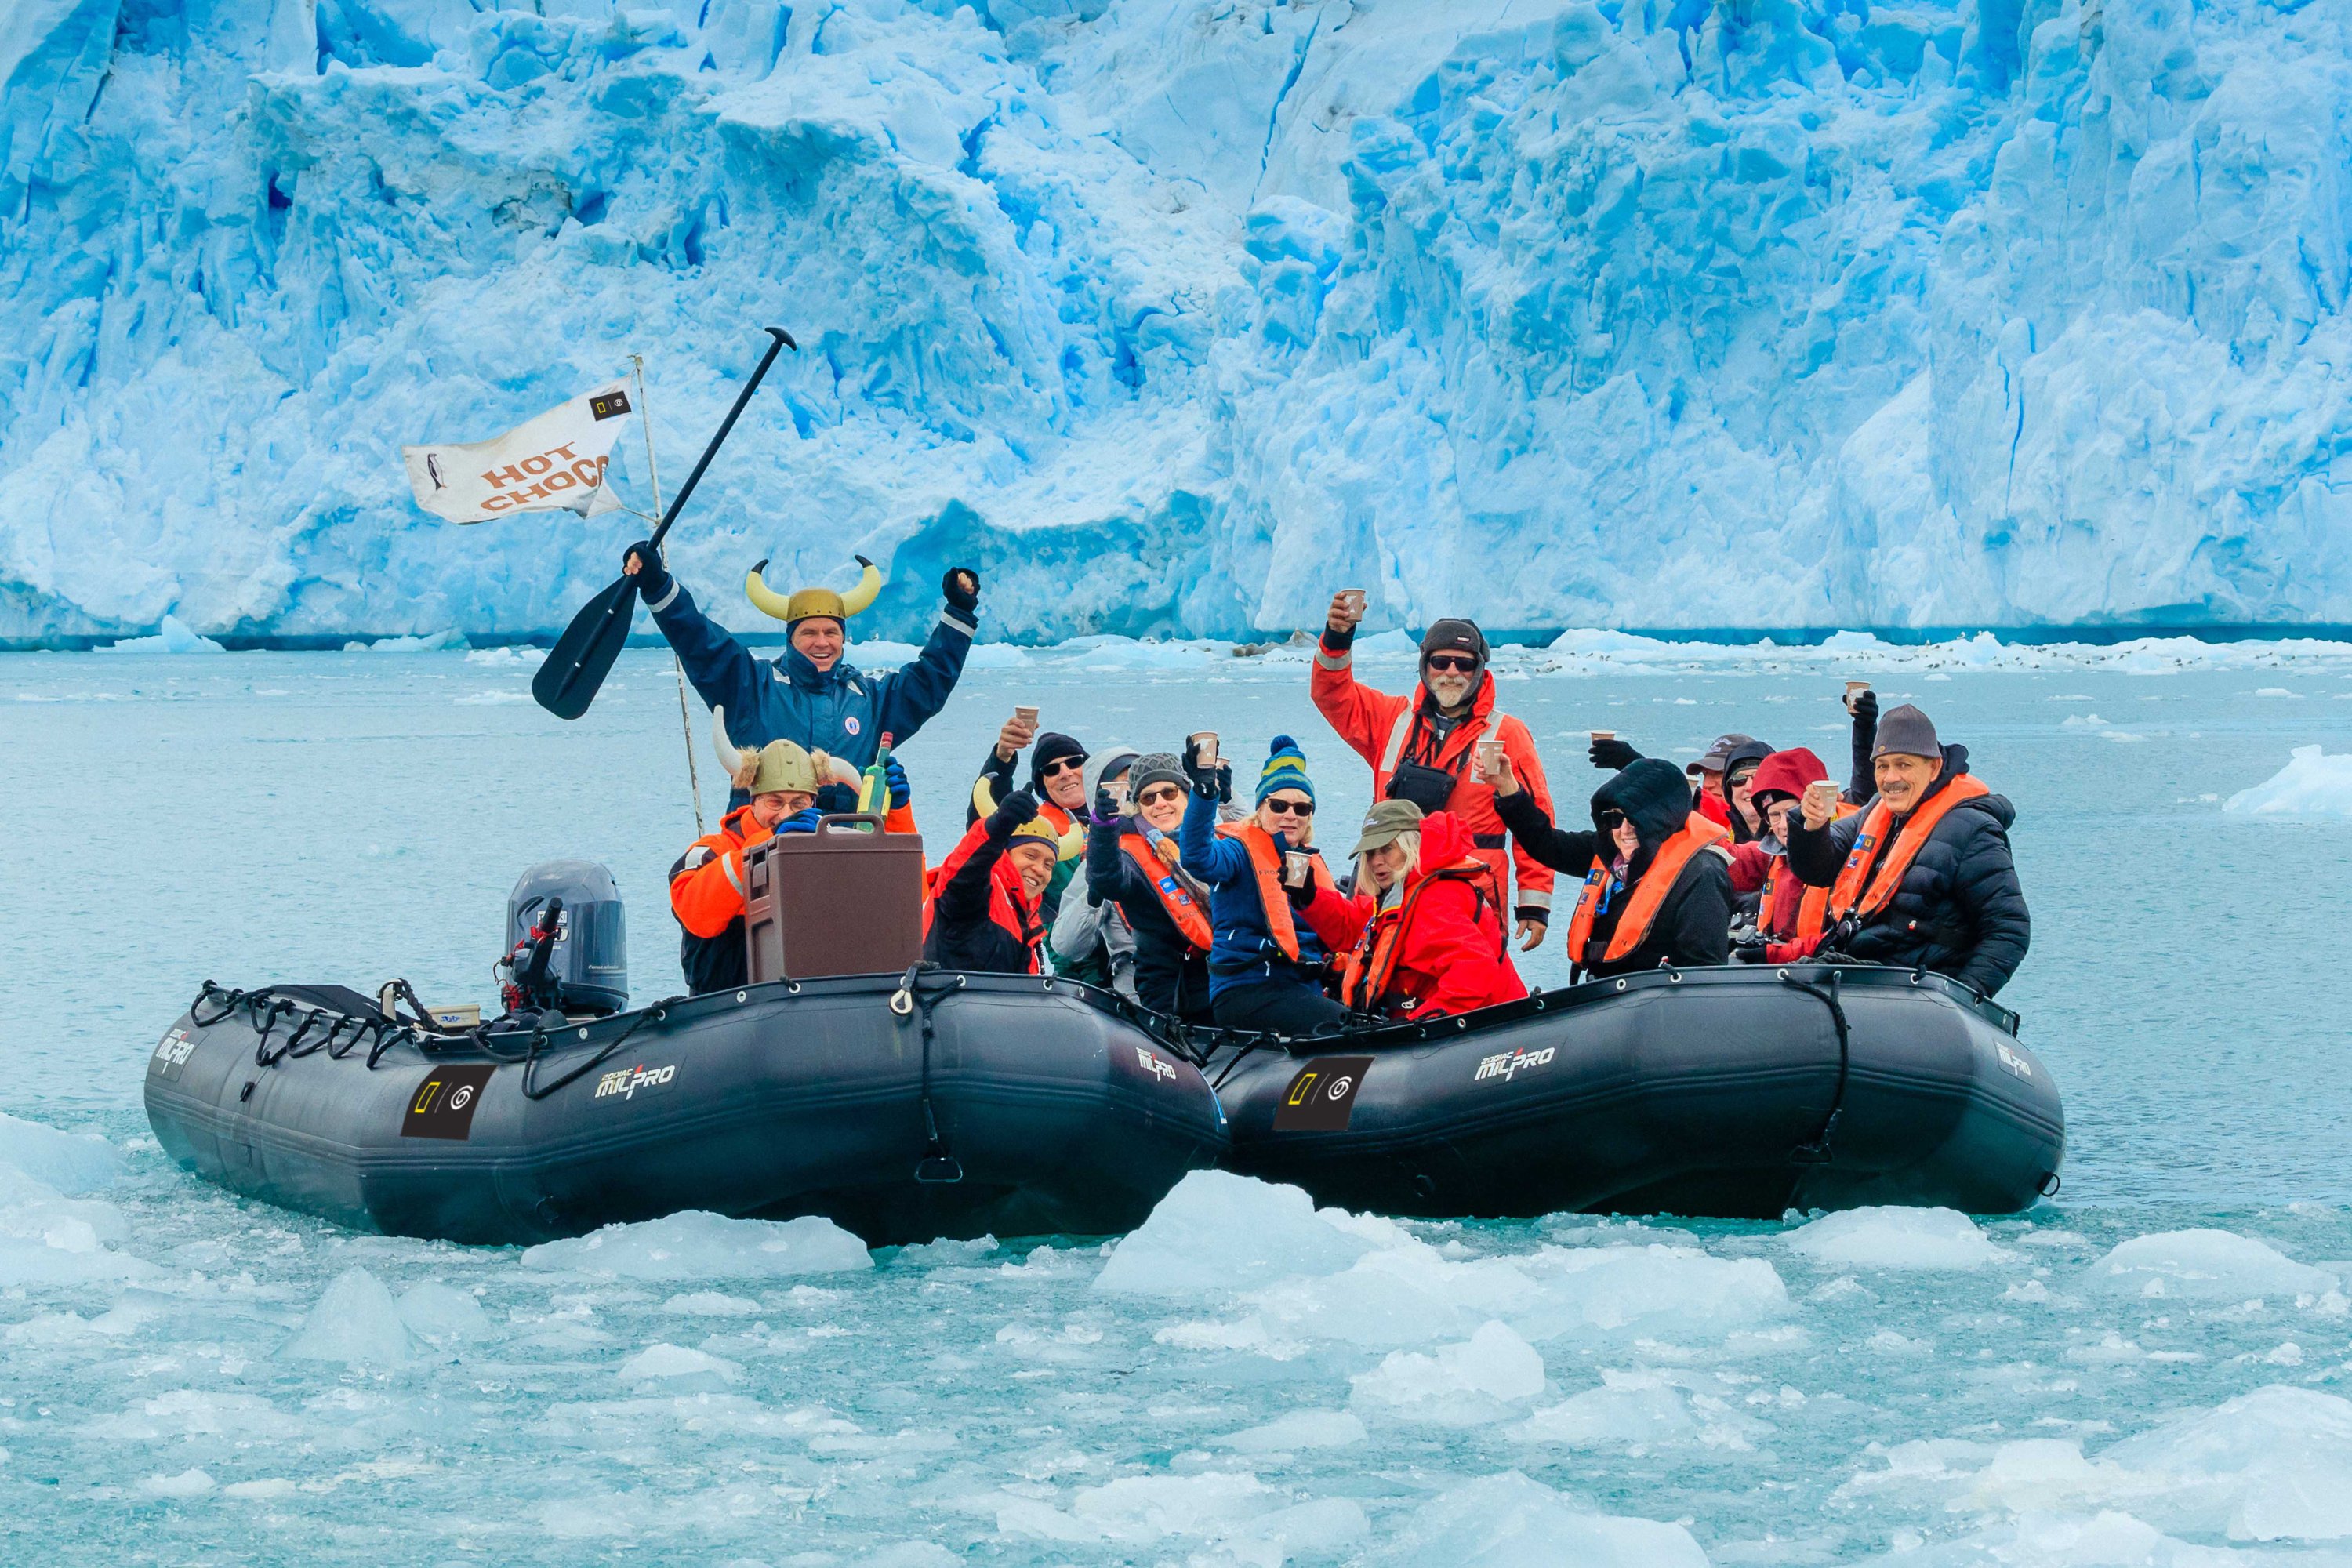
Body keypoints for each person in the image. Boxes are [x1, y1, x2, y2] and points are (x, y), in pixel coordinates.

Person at [1312, 595, 1558, 952]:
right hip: (1388, 885)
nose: (1452, 673)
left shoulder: (1507, 734)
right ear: (1426, 667)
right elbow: (1332, 695)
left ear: (1481, 671)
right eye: (1441, 662)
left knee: (1467, 989)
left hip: (1467, 894)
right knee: (1379, 982)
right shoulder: (1391, 720)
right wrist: (1337, 637)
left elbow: (1535, 822)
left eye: (1465, 664)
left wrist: (1535, 904)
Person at [622, 541, 979, 781]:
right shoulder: (751, 685)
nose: (821, 642)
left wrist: (958, 613)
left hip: (848, 849)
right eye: (809, 633)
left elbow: (930, 681)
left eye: (831, 632)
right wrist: (656, 584)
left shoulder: (872, 700)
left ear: (843, 639)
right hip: (761, 850)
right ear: (791, 639)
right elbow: (700, 642)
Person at [1784, 705, 2030, 996]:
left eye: (1904, 764)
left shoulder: (1972, 831)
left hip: (1917, 995)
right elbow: (1818, 870)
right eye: (1882, 766)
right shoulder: (1876, 813)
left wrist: (1962, 997)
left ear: (1934, 766)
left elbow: (2009, 930)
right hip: (1860, 977)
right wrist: (1811, 825)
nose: (1890, 778)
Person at [1488, 753, 1733, 980]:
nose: (1623, 831)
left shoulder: (1702, 875)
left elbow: (1704, 977)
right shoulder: (1608, 852)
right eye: (1614, 818)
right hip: (1603, 997)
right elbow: (1546, 843)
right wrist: (1508, 789)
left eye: (1636, 820)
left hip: (1657, 1006)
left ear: (1662, 820)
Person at [1180, 735, 1348, 1033]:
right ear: (1261, 810)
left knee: (1367, 1019)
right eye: (1279, 805)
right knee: (1343, 1027)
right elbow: (1197, 858)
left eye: (1302, 809)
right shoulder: (1238, 852)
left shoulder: (1306, 861)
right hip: (1247, 989)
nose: (1290, 815)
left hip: (1300, 989)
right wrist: (1205, 793)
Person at [1300, 801, 1526, 1020]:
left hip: (1486, 1026)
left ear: (1411, 845)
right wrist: (1310, 897)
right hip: (1448, 1023)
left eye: (1387, 849)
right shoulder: (1405, 890)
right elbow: (1355, 925)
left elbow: (1475, 969)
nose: (1377, 861)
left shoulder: (1434, 900)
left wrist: (1418, 1025)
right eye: (1370, 853)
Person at [667, 738, 830, 993]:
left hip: (807, 1005)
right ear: (753, 801)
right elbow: (694, 911)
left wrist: (898, 813)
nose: (786, 814)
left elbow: (903, 898)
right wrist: (768, 842)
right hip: (721, 1009)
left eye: (798, 803)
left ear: (812, 805)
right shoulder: (712, 850)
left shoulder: (828, 852)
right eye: (775, 802)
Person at [1084, 751, 1225, 1022]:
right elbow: (1105, 879)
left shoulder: (1219, 843)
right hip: (1171, 995)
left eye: (1169, 793)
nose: (1160, 803)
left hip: (1226, 978)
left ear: (1187, 797)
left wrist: (1214, 789)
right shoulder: (1131, 856)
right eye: (1148, 798)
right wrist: (1102, 828)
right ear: (1138, 806)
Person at [1726, 746, 1854, 962]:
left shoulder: (1850, 850)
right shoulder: (1773, 853)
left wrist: (1776, 954)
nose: (1784, 825)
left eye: (1792, 812)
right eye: (1774, 815)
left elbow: (1847, 935)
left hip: (1833, 972)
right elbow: (1732, 857)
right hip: (1786, 972)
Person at [922, 789, 1060, 975]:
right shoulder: (981, 891)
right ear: (1005, 854)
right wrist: (999, 825)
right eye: (1030, 855)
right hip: (942, 1000)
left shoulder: (1028, 920)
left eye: (1048, 865)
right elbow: (964, 872)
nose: (1039, 869)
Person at [971, 713, 1088, 927]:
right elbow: (984, 833)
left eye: (1074, 762)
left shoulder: (1122, 816)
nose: (1065, 773)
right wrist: (1002, 758)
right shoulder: (1036, 829)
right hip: (1079, 951)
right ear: (1042, 786)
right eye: (1051, 770)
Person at [1048, 746, 1142, 996]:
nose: (1131, 795)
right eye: (1118, 790)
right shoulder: (1094, 864)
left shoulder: (1181, 845)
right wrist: (1094, 894)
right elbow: (1064, 945)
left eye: (1137, 783)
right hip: (1137, 990)